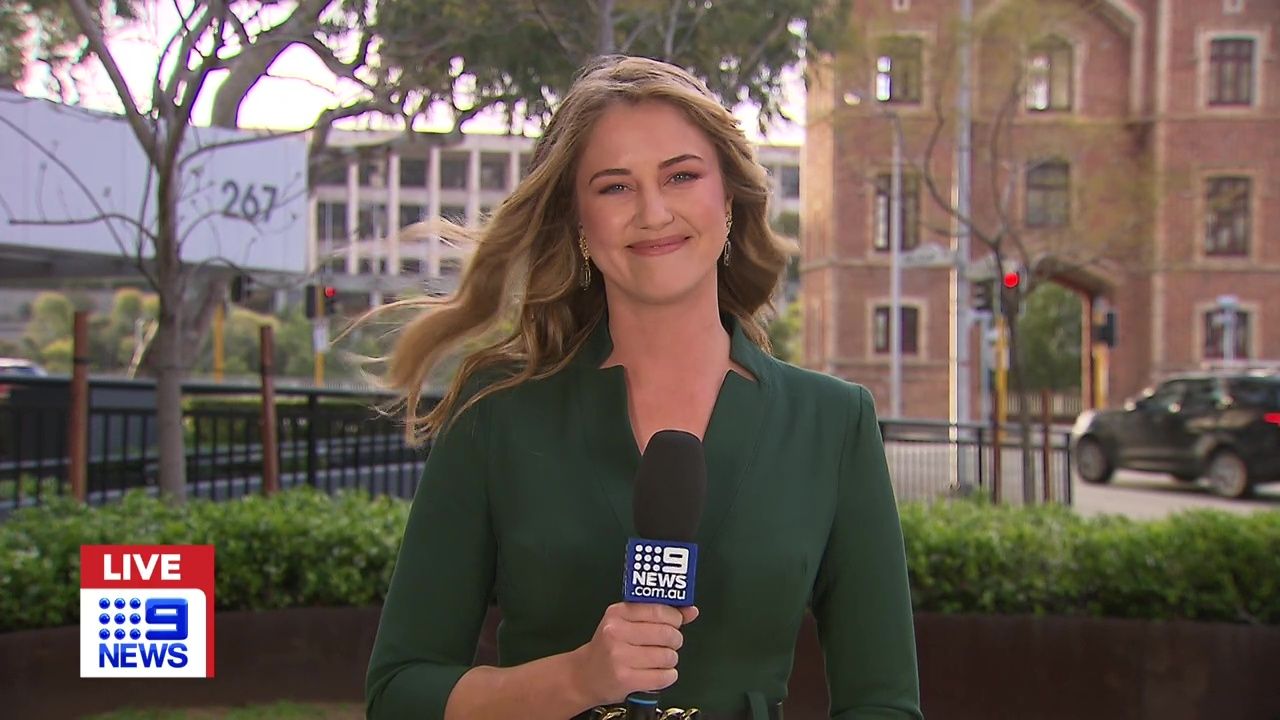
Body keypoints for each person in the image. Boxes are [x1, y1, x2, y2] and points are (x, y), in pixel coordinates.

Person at [365, 55, 923, 720]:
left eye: (681, 176)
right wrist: (576, 679)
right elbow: (399, 692)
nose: (653, 212)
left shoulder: (831, 423)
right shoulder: (497, 412)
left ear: (729, 198)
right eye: (615, 187)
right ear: (579, 222)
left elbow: (884, 704)